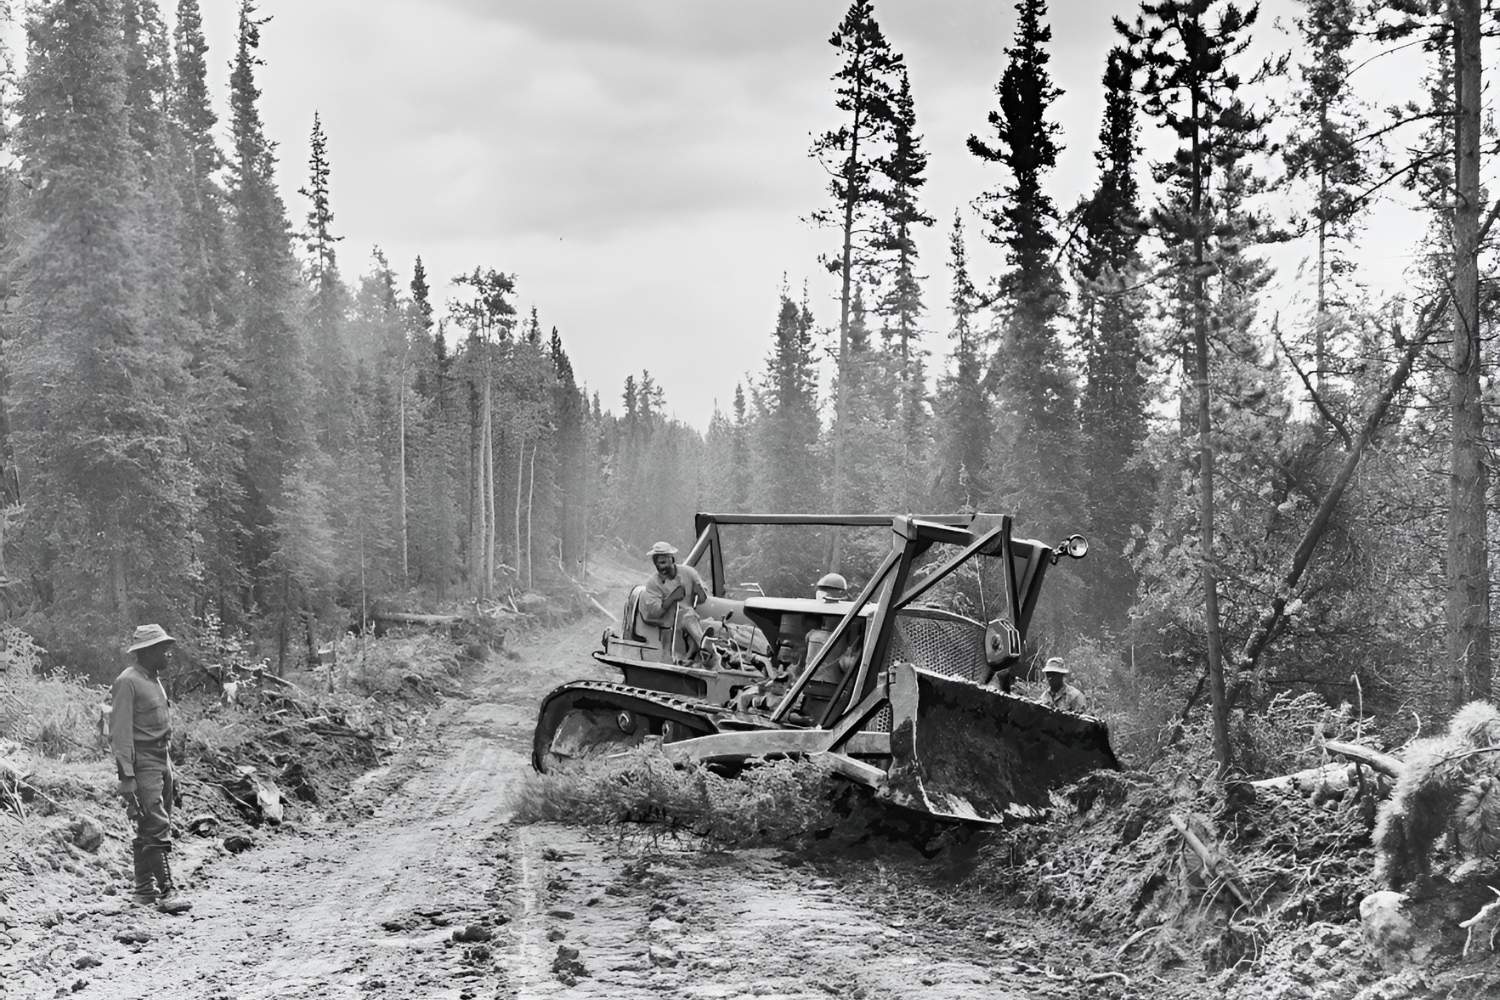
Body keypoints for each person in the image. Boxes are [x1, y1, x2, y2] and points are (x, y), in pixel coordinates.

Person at [109, 624, 191, 914]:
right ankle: (168, 891)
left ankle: (144, 892)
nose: (167, 654)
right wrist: (127, 777)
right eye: (161, 649)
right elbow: (120, 735)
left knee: (149, 825)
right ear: (146, 652)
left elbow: (160, 730)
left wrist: (171, 770)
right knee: (156, 825)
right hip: (142, 765)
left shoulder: (155, 681)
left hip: (161, 762)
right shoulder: (127, 682)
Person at [640, 541, 711, 663]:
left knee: (689, 615)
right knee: (686, 615)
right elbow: (655, 612)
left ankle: (702, 649)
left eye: (663, 562)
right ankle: (702, 646)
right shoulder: (653, 583)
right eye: (657, 563)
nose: (661, 567)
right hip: (667, 626)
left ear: (672, 559)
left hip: (690, 622)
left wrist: (700, 591)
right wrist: (672, 598)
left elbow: (703, 598)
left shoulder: (689, 573)